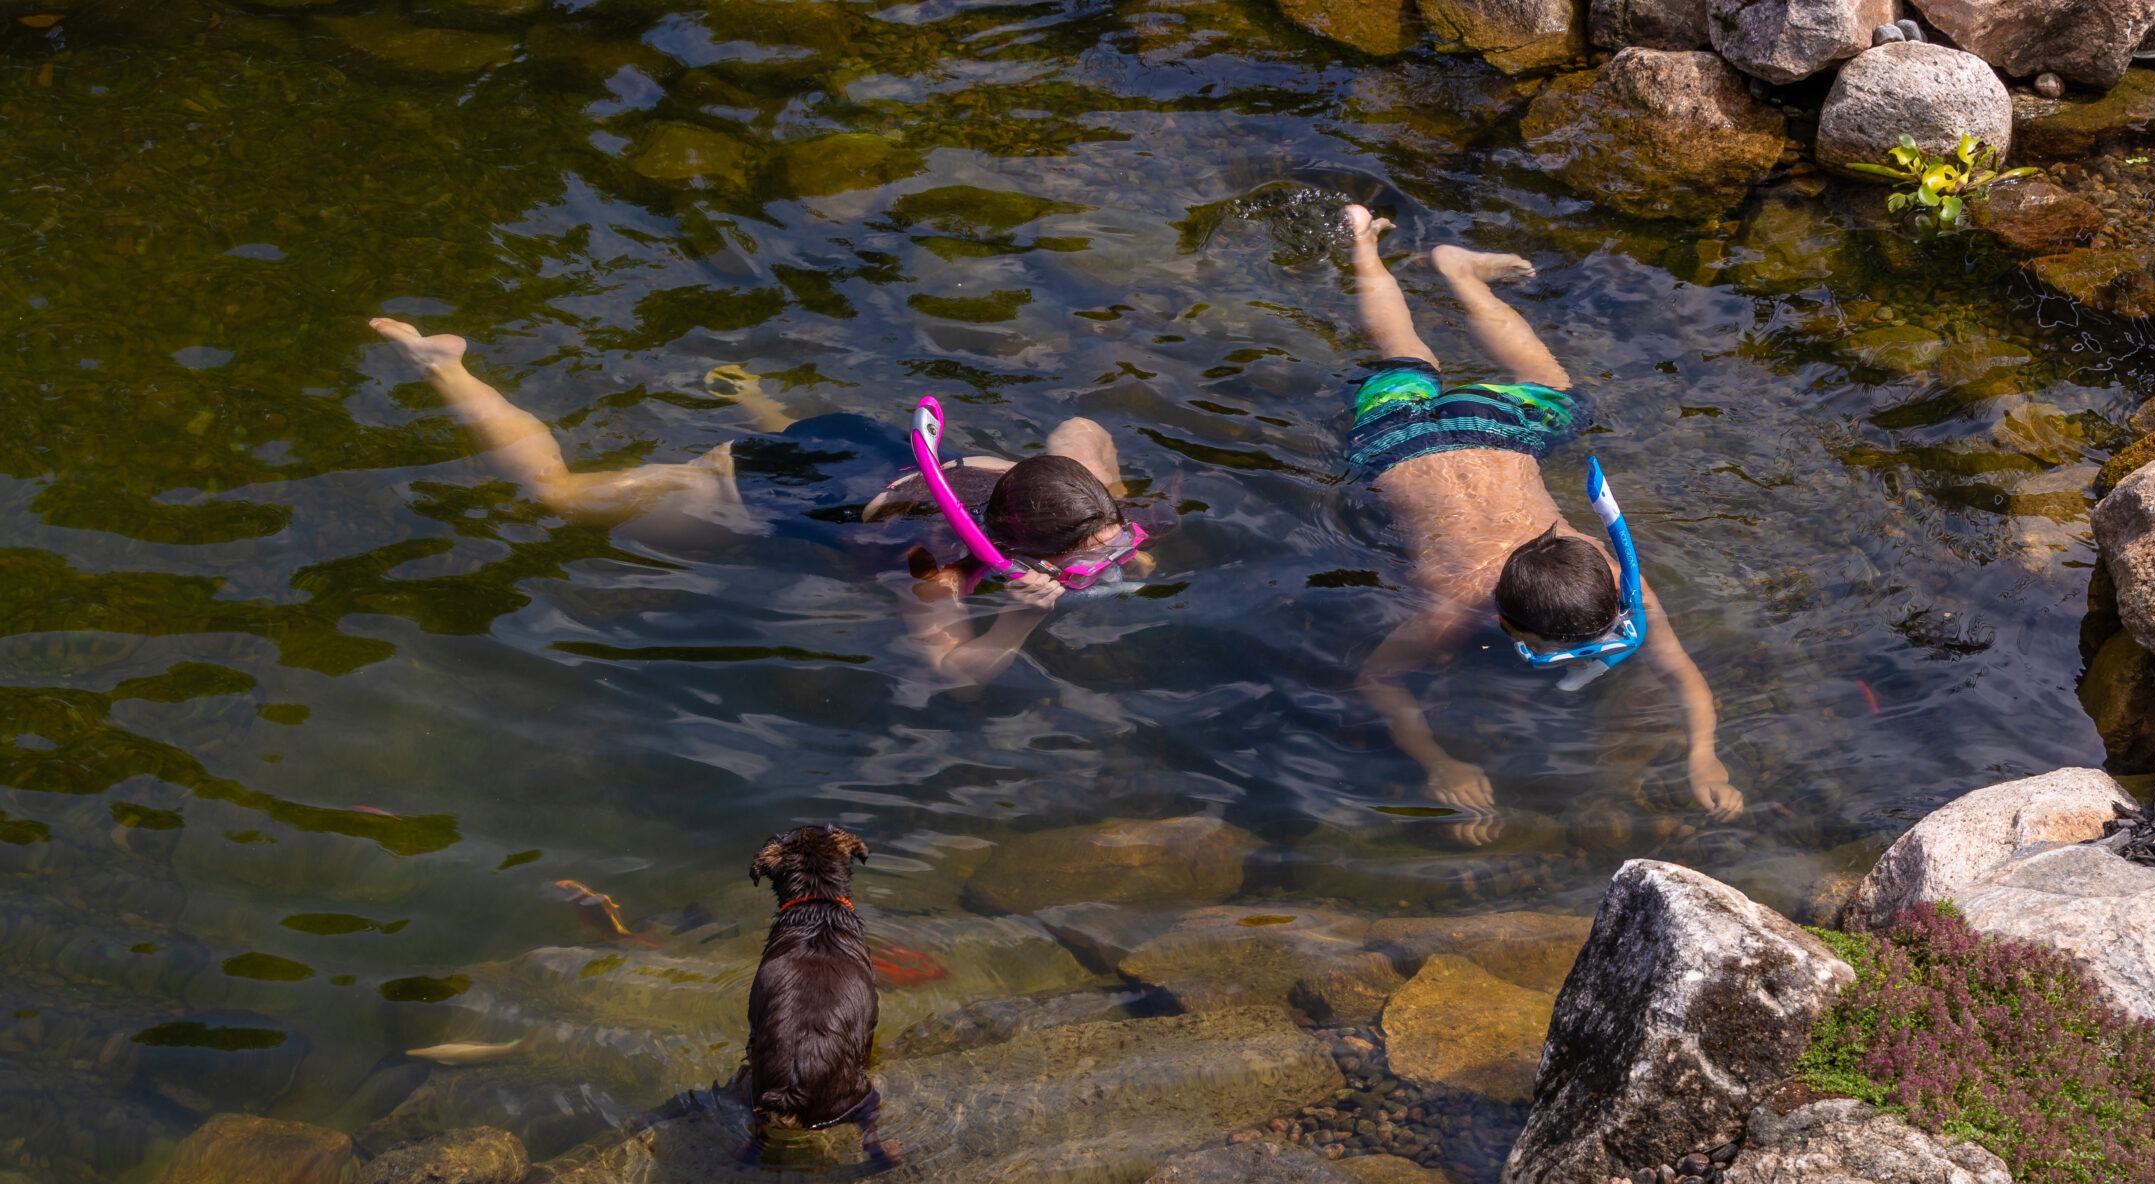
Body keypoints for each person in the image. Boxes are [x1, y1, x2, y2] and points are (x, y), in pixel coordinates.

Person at [366, 319, 1143, 688]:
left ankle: (763, 403)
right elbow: (949, 669)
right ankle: (446, 368)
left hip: (858, 445)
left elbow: (1082, 427)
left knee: (822, 456)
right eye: (1090, 556)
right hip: (759, 484)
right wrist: (1021, 616)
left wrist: (1119, 522)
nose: (1107, 560)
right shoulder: (931, 566)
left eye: (1109, 544)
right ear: (1022, 546)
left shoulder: (1034, 473)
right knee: (559, 496)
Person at [1335, 208, 1743, 836]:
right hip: (1396, 443)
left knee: (1526, 381)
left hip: (1483, 431)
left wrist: (1702, 754)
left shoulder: (1611, 579)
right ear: (1503, 623)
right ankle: (1432, 265)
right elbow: (1376, 681)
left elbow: (1383, 681)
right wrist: (1439, 763)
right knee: (1423, 360)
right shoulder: (1453, 609)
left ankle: (1374, 244)